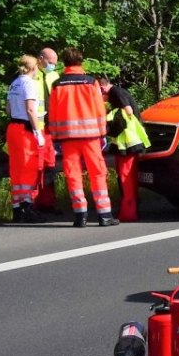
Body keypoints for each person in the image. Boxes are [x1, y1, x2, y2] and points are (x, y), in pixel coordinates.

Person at [47, 48, 118, 227]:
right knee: (97, 172)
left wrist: (55, 135)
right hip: (91, 136)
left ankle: (80, 215)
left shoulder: (58, 85)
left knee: (73, 175)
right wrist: (103, 131)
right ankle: (104, 214)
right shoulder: (90, 82)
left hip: (68, 138)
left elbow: (53, 113)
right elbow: (99, 109)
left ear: (64, 62)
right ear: (81, 61)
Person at [99, 75, 151, 222]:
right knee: (130, 177)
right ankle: (131, 207)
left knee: (125, 177)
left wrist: (112, 121)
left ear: (102, 88)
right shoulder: (117, 92)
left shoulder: (116, 92)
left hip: (127, 142)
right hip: (130, 142)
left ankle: (128, 212)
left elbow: (128, 111)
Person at [5, 55, 45, 223]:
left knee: (16, 169)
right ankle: (27, 206)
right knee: (28, 167)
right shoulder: (29, 84)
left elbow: (8, 109)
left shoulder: (14, 83)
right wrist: (37, 131)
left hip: (12, 128)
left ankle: (17, 208)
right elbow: (30, 109)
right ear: (32, 68)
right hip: (24, 130)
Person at [32, 47, 61, 212]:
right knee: (36, 167)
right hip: (34, 129)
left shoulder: (54, 76)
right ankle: (33, 204)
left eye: (55, 64)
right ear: (40, 58)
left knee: (50, 166)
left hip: (50, 129)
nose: (53, 66)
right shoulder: (30, 76)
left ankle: (48, 203)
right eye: (50, 63)